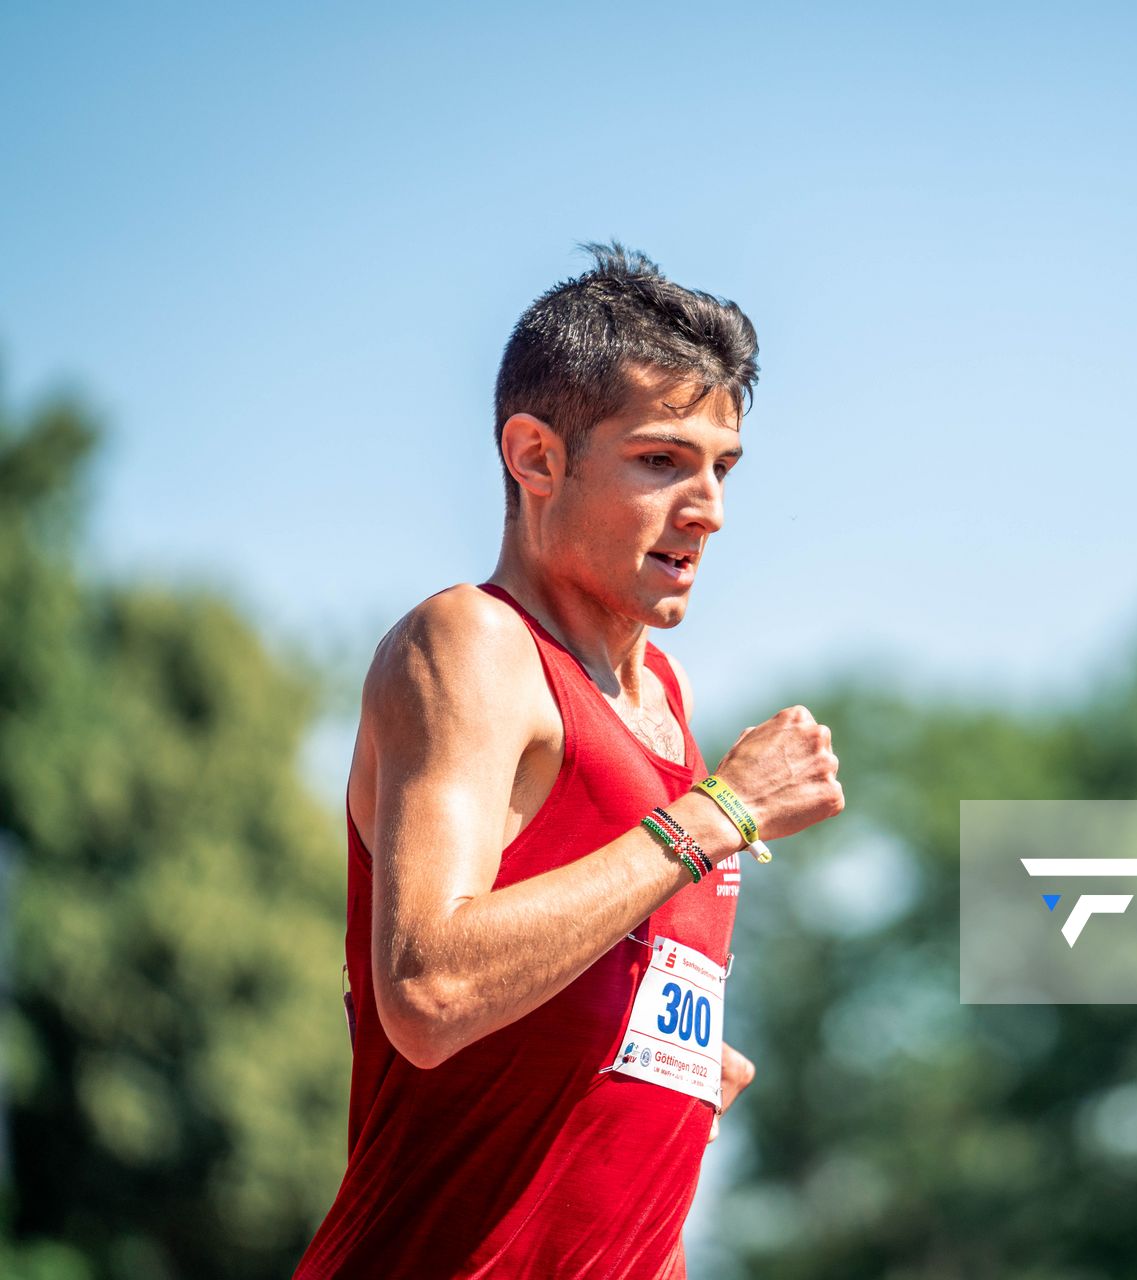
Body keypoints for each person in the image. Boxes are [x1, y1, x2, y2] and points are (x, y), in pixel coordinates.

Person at [294, 243, 844, 1278]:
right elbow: (428, 987)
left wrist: (658, 1075)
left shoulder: (666, 700)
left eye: (722, 467)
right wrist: (717, 809)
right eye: (660, 460)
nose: (709, 508)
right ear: (536, 454)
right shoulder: (472, 643)